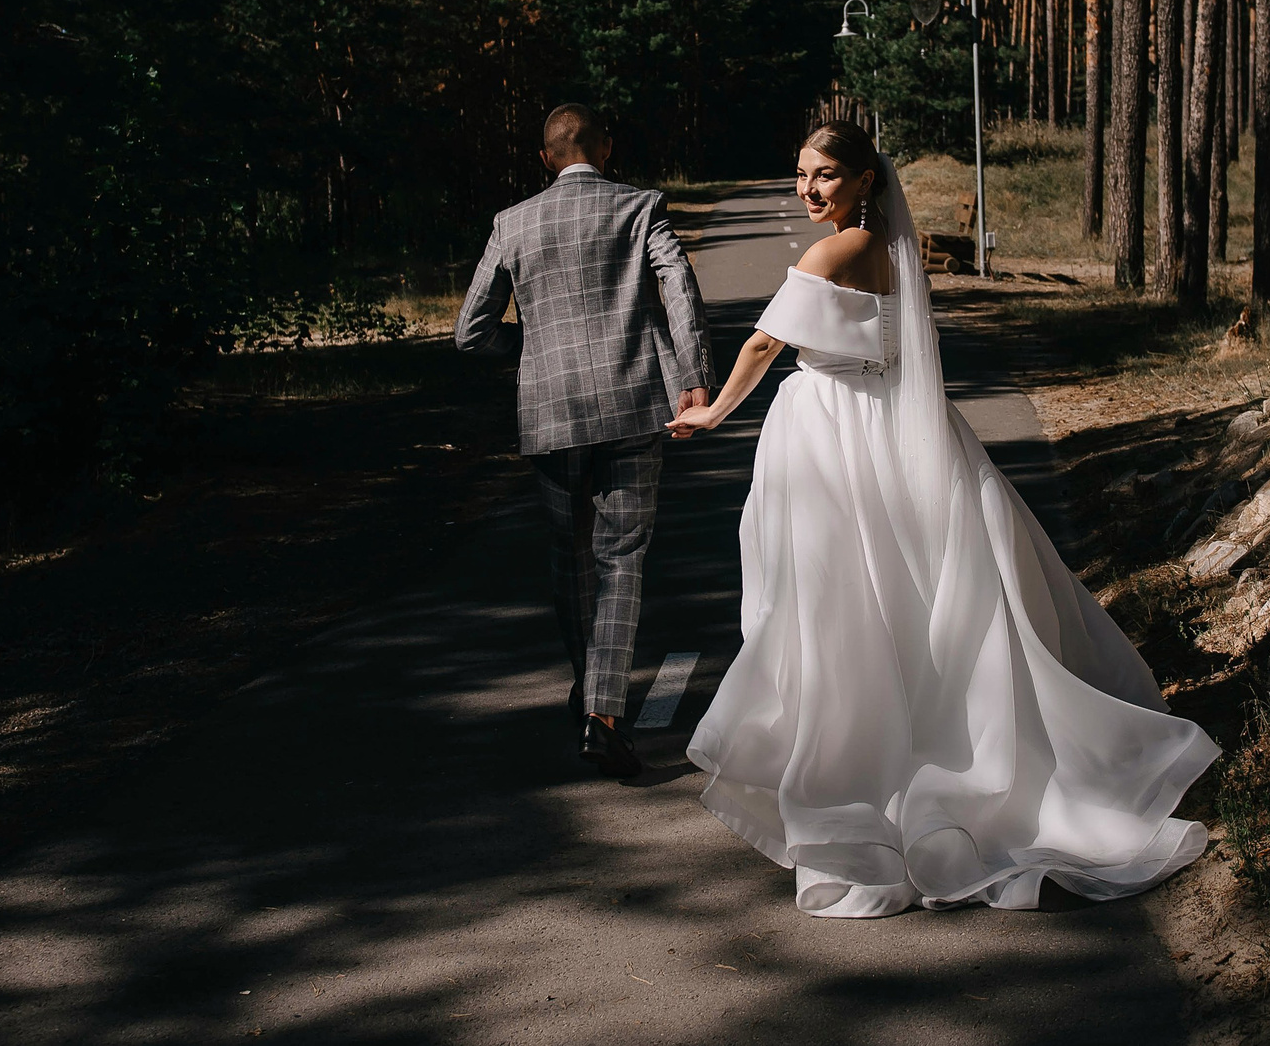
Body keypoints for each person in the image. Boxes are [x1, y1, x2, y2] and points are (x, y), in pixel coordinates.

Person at [667, 120, 1218, 916]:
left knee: (840, 605)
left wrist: (715, 412)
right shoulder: (893, 245)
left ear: (863, 180)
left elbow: (762, 343)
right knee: (903, 598)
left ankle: (860, 777)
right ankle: (916, 751)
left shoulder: (836, 251)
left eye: (824, 175)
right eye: (800, 174)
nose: (807, 190)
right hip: (885, 423)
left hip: (833, 431)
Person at [457, 103, 712, 778]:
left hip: (550, 413)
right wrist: (694, 376)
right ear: (605, 148)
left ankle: (589, 691)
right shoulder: (639, 207)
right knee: (622, 555)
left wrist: (532, 346)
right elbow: (679, 289)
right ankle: (604, 715)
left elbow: (469, 329)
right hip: (633, 405)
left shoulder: (510, 223)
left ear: (546, 157)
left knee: (570, 558)